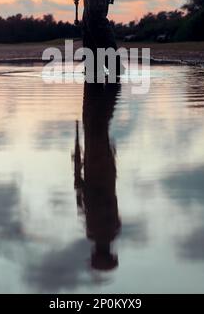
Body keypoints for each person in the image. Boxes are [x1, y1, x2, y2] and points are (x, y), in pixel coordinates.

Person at [72, 82, 121, 271]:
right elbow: (82, 195)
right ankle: (108, 83)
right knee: (95, 121)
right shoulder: (100, 230)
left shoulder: (108, 229)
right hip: (98, 166)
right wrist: (77, 166)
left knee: (95, 121)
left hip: (101, 166)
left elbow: (85, 197)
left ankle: (106, 83)